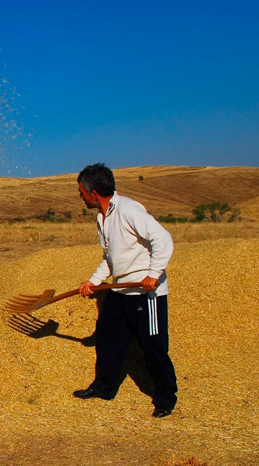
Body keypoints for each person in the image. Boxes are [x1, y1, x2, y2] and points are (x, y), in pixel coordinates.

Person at [73, 163, 178, 418]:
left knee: (152, 345)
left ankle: (165, 397)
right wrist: (93, 281)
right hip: (120, 294)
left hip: (146, 294)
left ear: (93, 193)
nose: (80, 196)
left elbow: (163, 239)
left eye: (81, 191)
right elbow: (110, 258)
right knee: (108, 340)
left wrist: (153, 274)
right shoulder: (102, 218)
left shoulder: (130, 210)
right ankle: (104, 388)